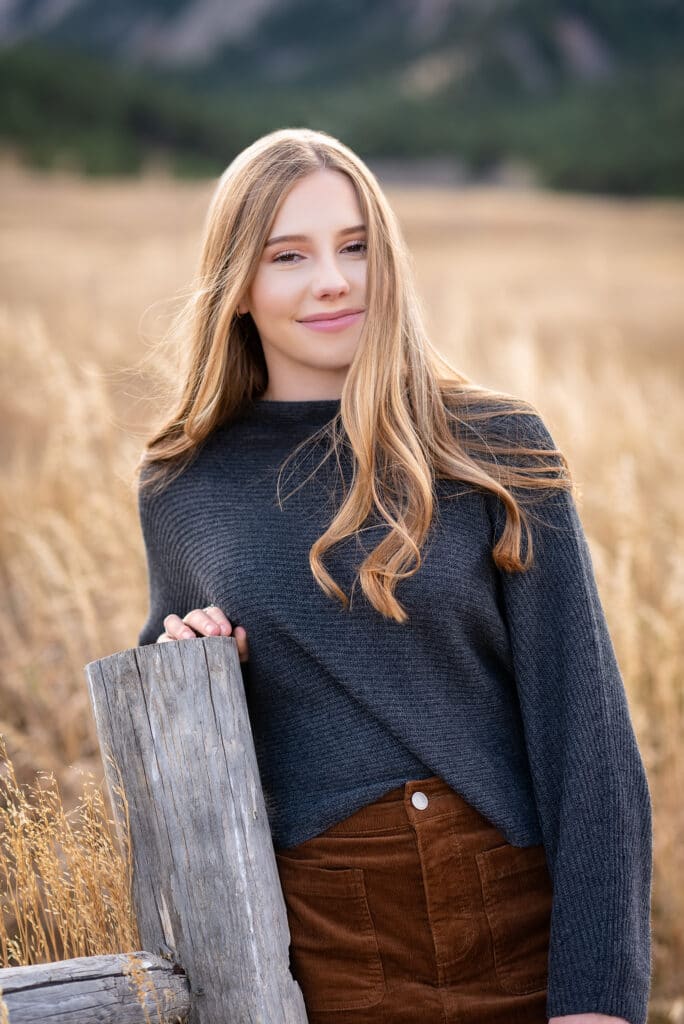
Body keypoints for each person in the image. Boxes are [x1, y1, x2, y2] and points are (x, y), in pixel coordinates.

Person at [135, 127, 652, 1024]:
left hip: (518, 926)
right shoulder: (185, 483)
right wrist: (186, 660)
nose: (333, 280)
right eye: (288, 255)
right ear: (239, 289)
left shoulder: (496, 446)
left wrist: (597, 998)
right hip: (329, 946)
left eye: (356, 247)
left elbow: (589, 738)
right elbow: (174, 745)